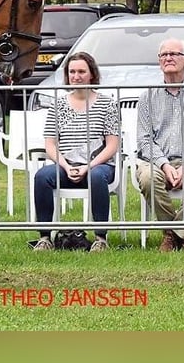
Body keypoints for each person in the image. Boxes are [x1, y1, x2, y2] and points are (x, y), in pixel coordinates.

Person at [32, 51, 119, 252]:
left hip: (99, 165)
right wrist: (65, 165)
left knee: (96, 177)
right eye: (72, 72)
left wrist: (89, 166)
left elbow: (112, 145)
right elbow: (51, 144)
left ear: (92, 75)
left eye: (81, 71)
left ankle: (100, 238)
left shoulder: (107, 104)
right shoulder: (58, 104)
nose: (76, 76)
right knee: (42, 176)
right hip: (66, 165)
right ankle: (44, 237)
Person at [136, 38, 184, 252]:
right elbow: (144, 139)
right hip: (155, 161)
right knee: (147, 178)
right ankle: (174, 232)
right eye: (164, 55)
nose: (168, 58)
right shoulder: (147, 96)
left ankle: (175, 234)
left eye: (174, 54)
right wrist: (165, 166)